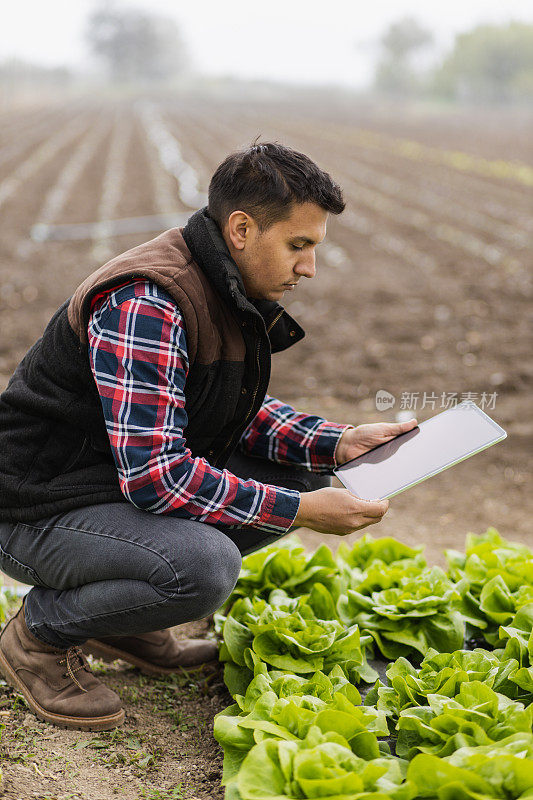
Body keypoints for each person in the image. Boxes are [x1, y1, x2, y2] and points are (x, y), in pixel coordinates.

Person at [0, 142, 416, 731]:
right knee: (205, 567)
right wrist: (299, 511)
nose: (309, 268)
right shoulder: (150, 300)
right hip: (34, 507)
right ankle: (37, 637)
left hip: (101, 486)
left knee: (302, 472)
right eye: (299, 245)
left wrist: (337, 442)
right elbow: (156, 477)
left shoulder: (222, 282)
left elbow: (226, 409)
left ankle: (129, 621)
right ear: (242, 229)